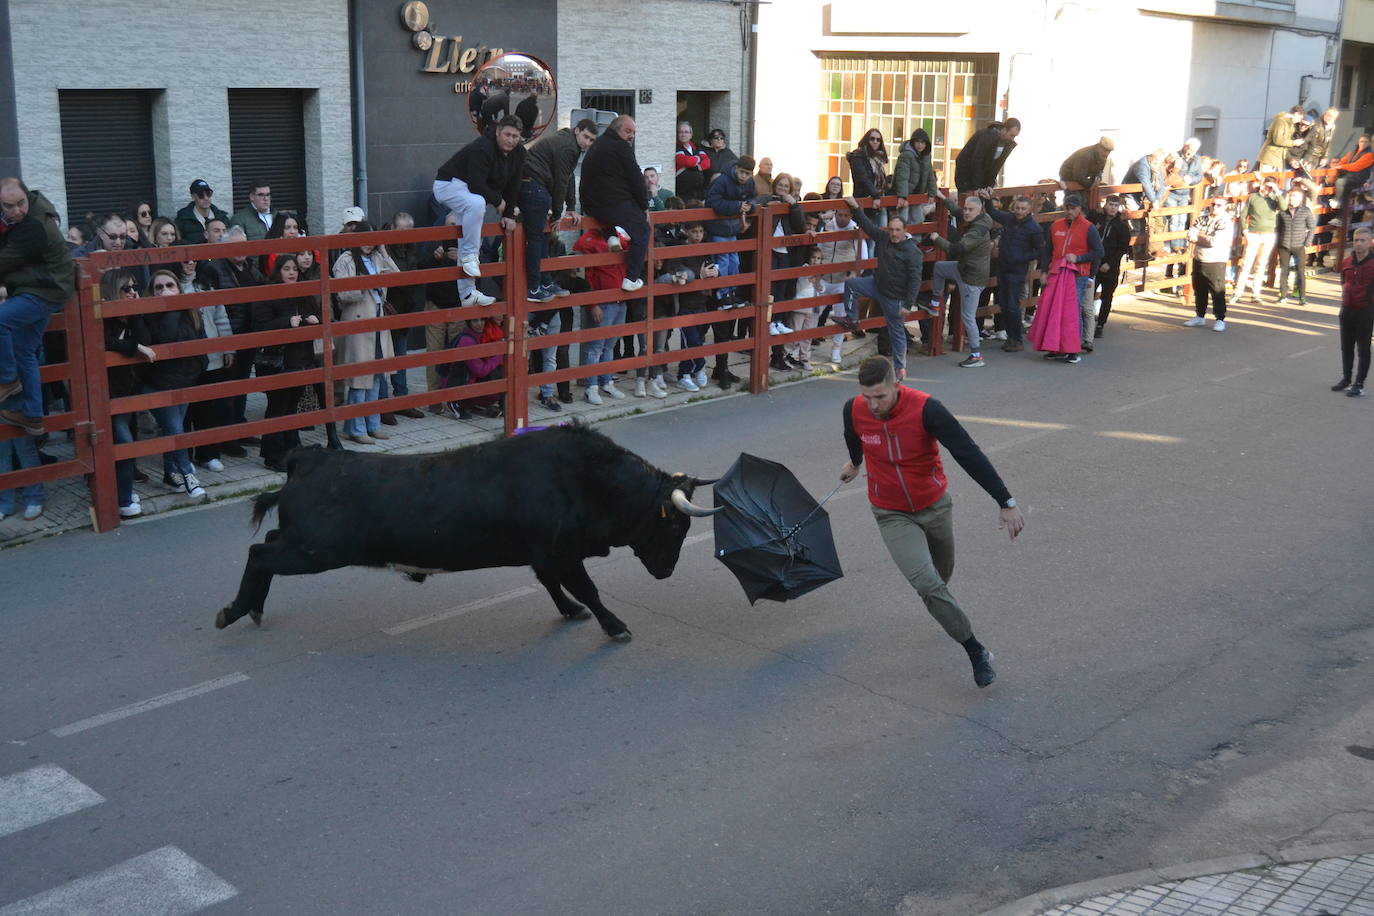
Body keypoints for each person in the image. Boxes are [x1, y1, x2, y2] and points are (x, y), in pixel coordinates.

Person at [839, 355, 1024, 688]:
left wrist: (1005, 501)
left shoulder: (927, 409)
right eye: (867, 397)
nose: (873, 405)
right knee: (927, 584)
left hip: (934, 506)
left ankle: (942, 603)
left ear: (897, 385)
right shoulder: (854, 409)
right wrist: (855, 463)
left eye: (880, 396)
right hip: (889, 511)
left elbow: (968, 453)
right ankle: (975, 651)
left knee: (941, 576)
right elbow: (853, 435)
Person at [0, 178, 74, 437]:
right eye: (9, 206)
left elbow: (3, 262)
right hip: (42, 288)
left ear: (26, 197)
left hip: (44, 290)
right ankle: (33, 416)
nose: (16, 210)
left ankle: (8, 380)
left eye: (20, 204)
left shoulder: (34, 225)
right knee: (24, 349)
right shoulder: (29, 215)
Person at [433, 115, 526, 307]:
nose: (511, 140)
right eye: (507, 134)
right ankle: (468, 256)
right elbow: (477, 184)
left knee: (470, 231)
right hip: (448, 184)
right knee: (477, 205)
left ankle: (467, 294)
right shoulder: (483, 147)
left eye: (515, 136)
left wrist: (508, 215)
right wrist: (499, 203)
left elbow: (513, 185)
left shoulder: (519, 153)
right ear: (498, 132)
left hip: (468, 192)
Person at [139, 269, 208, 500]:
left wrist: (200, 366)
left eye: (170, 285)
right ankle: (188, 475)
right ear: (151, 292)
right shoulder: (147, 316)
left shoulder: (191, 313)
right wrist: (170, 308)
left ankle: (171, 472)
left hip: (186, 380)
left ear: (179, 287)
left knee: (173, 430)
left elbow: (201, 341)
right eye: (159, 287)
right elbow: (166, 338)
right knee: (176, 429)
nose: (165, 290)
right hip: (158, 383)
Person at [250, 254, 321, 470]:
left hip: (300, 360)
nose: (292, 273)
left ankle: (292, 448)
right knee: (277, 407)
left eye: (295, 270)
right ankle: (272, 455)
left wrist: (315, 319)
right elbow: (259, 326)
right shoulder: (268, 293)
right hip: (276, 362)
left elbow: (318, 315)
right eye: (287, 269)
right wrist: (286, 322)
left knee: (291, 407)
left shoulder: (304, 294)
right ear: (278, 270)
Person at [841, 195, 922, 377]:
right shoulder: (885, 238)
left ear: (904, 231)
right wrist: (855, 208)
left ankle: (900, 368)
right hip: (877, 285)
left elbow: (915, 279)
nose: (893, 233)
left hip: (896, 298)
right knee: (852, 284)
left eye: (897, 230)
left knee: (897, 334)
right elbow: (868, 226)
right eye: (891, 229)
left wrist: (908, 305)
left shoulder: (913, 251)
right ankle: (852, 319)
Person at [334, 226, 400, 444]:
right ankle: (356, 428)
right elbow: (341, 293)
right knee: (359, 376)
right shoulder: (345, 260)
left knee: (378, 375)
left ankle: (373, 424)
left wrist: (383, 251)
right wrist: (365, 285)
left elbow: (397, 277)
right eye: (365, 238)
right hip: (357, 320)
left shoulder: (377, 258)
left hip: (379, 321)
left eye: (373, 240)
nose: (369, 244)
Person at [99, 268, 154, 517]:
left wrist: (137, 316)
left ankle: (123, 490)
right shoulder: (103, 320)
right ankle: (121, 499)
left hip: (128, 390)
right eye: (126, 289)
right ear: (112, 291)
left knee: (127, 440)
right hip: (108, 393)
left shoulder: (131, 318)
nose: (133, 293)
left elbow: (145, 337)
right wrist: (136, 346)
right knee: (124, 443)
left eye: (135, 288)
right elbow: (110, 343)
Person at [521, 117, 595, 303]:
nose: (587, 143)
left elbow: (567, 177)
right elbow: (562, 181)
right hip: (533, 184)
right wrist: (557, 214)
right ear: (577, 130)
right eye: (586, 137)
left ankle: (544, 283)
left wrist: (570, 207)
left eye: (592, 140)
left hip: (536, 185)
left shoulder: (571, 144)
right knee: (537, 237)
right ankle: (534, 287)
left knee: (544, 237)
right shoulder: (568, 147)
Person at [581, 116, 651, 293]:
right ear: (617, 129)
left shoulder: (596, 145)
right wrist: (644, 206)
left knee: (610, 215)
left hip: (590, 204)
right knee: (642, 231)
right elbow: (635, 178)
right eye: (628, 131)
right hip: (613, 203)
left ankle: (611, 236)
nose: (631, 136)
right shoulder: (621, 148)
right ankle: (631, 278)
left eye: (634, 132)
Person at [928, 191, 996, 367]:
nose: (966, 212)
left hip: (972, 279)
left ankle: (976, 356)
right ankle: (935, 302)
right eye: (965, 208)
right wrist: (943, 199)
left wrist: (937, 239)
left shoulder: (977, 232)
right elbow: (959, 212)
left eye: (970, 209)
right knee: (940, 267)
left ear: (979, 211)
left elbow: (956, 249)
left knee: (968, 317)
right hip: (963, 269)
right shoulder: (981, 218)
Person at [575, 225, 632, 401]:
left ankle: (606, 383)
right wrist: (593, 304)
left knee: (609, 346)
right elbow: (587, 275)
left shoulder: (619, 236)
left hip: (620, 300)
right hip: (604, 302)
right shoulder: (590, 239)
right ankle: (591, 386)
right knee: (596, 347)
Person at [984, 193, 1045, 352]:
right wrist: (987, 199)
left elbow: (1040, 251)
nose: (1019, 211)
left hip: (1017, 270)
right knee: (1004, 304)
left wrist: (1022, 257)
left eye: (1023, 208)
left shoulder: (1034, 228)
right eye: (1017, 208)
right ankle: (1011, 337)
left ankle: (1016, 339)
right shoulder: (1010, 218)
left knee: (1012, 305)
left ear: (1029, 209)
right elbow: (994, 212)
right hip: (1003, 267)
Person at [704, 154, 757, 308]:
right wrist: (737, 206)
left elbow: (753, 198)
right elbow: (712, 202)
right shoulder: (722, 180)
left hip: (732, 228)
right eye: (741, 172)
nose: (743, 176)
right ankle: (722, 294)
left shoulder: (749, 183)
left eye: (747, 174)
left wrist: (750, 206)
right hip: (718, 228)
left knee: (734, 261)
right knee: (723, 261)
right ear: (736, 168)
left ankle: (731, 293)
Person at [1183, 197, 1236, 331]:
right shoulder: (1202, 218)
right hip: (1199, 258)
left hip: (1216, 260)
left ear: (1224, 207)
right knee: (1199, 289)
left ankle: (1220, 319)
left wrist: (1199, 237)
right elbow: (1190, 234)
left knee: (1217, 290)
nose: (1215, 207)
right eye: (1213, 204)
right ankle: (1200, 316)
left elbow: (1214, 241)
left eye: (1219, 205)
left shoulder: (1225, 222)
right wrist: (1202, 237)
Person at [1335, 226, 1374, 398]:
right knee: (1346, 347)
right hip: (1347, 309)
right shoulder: (1347, 262)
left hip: (1365, 311)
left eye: (1362, 240)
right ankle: (1346, 379)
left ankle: (1359, 384)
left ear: (1371, 243)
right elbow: (1343, 282)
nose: (1358, 243)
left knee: (1363, 349)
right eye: (1356, 240)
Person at [1089, 194, 1131, 337]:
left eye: (1115, 205)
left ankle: (1100, 324)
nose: (1113, 208)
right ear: (1105, 205)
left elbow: (1122, 248)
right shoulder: (1097, 220)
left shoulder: (1122, 226)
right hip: (1095, 263)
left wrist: (1109, 263)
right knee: (1088, 294)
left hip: (1111, 266)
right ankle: (1086, 323)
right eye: (1110, 205)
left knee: (1107, 296)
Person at [1234, 177, 1281, 303]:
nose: (1267, 189)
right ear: (1262, 185)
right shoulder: (1253, 197)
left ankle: (1256, 294)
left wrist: (1276, 191)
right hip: (1254, 233)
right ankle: (1237, 293)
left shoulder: (1274, 198)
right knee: (1246, 264)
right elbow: (1244, 215)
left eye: (1270, 186)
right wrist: (1245, 230)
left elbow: (1284, 206)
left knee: (1261, 265)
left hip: (1269, 234)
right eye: (1266, 186)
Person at [954, 119, 1020, 194]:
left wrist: (990, 185)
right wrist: (977, 187)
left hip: (980, 180)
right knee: (971, 202)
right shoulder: (987, 136)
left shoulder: (1007, 144)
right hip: (966, 177)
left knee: (986, 202)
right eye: (1011, 135)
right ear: (1004, 130)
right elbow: (977, 161)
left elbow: (997, 166)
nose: (1012, 139)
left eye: (1014, 136)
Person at [1274, 188, 1315, 306]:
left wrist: (1307, 243)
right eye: (1291, 195)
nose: (1292, 198)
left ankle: (1302, 297)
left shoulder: (1305, 211)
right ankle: (1282, 296)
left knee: (1301, 272)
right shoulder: (1283, 211)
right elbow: (1278, 228)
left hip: (1299, 245)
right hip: (1284, 245)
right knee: (1283, 271)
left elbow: (1312, 227)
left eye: (1295, 196)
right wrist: (1278, 243)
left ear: (1301, 198)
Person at [891, 128, 938, 225]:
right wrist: (903, 196)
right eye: (917, 142)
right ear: (913, 142)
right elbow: (902, 176)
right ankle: (901, 239)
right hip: (905, 193)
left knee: (918, 219)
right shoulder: (906, 155)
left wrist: (932, 193)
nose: (920, 145)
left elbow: (929, 174)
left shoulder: (926, 156)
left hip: (918, 192)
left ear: (926, 144)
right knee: (903, 220)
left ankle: (915, 240)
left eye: (923, 142)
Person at [846, 130, 888, 215]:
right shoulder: (857, 156)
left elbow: (883, 181)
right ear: (866, 140)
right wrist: (876, 196)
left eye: (878, 140)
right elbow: (863, 178)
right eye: (872, 139)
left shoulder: (879, 159)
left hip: (880, 201)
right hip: (864, 201)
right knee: (867, 227)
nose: (875, 142)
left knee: (883, 227)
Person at [175, 179, 230, 245]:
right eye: (201, 195)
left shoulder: (222, 217)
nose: (206, 198)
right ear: (193, 197)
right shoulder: (183, 219)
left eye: (208, 194)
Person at [673, 121, 711, 202]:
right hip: (683, 193)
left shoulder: (696, 147)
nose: (683, 134)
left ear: (691, 135)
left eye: (686, 132)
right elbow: (685, 161)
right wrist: (699, 159)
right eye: (681, 132)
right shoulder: (675, 147)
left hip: (698, 193)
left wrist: (698, 167)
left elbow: (707, 162)